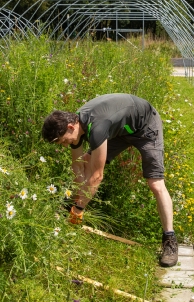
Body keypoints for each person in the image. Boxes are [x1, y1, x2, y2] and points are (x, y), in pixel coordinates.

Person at [42, 93, 178, 267]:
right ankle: (72, 207)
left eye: (63, 141)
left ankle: (170, 240)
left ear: (70, 126)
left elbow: (98, 176)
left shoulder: (96, 127)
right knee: (85, 161)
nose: (64, 145)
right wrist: (74, 202)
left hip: (145, 126)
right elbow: (77, 167)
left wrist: (79, 209)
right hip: (121, 130)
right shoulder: (78, 126)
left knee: (155, 184)